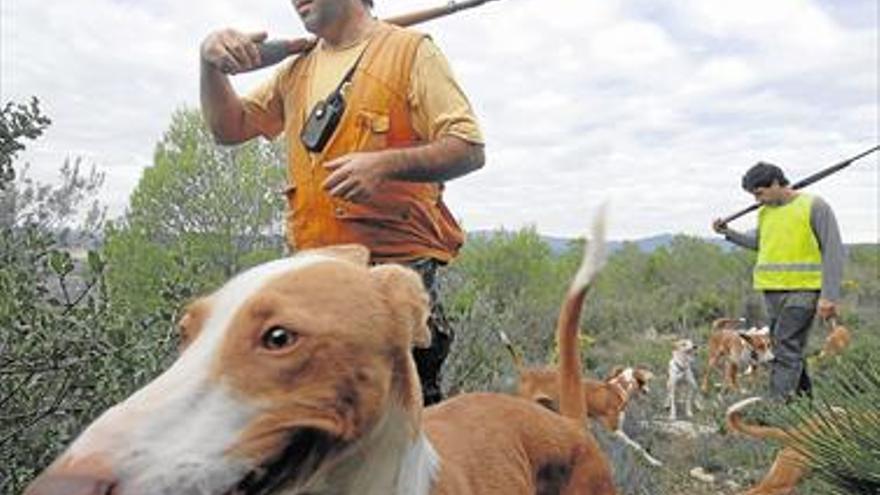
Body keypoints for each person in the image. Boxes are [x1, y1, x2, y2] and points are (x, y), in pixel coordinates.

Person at [199, 0, 485, 406]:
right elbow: (229, 127)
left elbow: (469, 148)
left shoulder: (412, 52)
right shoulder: (298, 68)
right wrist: (209, 65)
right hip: (313, 281)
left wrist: (385, 165)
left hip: (393, 287)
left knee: (398, 441)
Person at [713, 162, 845, 401]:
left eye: (759, 193)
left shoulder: (815, 206)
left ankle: (776, 410)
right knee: (789, 347)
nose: (757, 199)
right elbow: (759, 243)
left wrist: (829, 295)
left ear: (775, 183)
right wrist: (727, 232)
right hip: (772, 291)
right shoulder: (766, 212)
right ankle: (806, 405)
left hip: (804, 291)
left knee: (784, 346)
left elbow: (834, 251)